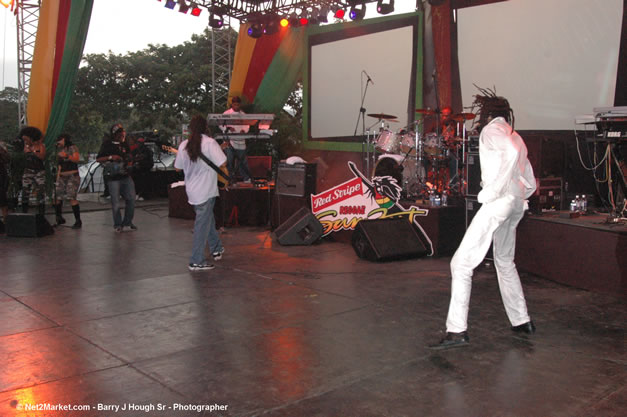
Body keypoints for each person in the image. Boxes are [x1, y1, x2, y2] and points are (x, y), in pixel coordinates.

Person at [430, 98, 537, 350]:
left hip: (499, 202)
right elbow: (528, 174)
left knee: (461, 263)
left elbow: (509, 155)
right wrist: (522, 194)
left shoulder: (491, 130)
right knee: (504, 261)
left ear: (487, 114)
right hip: (516, 203)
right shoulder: (515, 135)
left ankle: (457, 331)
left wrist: (491, 192)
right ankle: (522, 321)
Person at [174, 114, 227, 271]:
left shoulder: (184, 145)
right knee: (201, 226)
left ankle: (216, 248)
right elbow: (223, 162)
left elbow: (178, 168)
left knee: (207, 220)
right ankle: (196, 260)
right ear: (206, 127)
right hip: (207, 190)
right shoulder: (210, 143)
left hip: (192, 191)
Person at [96, 124, 136, 232]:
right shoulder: (107, 144)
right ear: (115, 134)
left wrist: (129, 160)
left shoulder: (124, 144)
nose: (122, 135)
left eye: (123, 133)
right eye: (120, 133)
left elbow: (128, 156)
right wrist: (111, 157)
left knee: (131, 198)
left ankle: (127, 222)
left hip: (125, 175)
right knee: (115, 202)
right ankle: (118, 224)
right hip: (113, 177)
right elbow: (98, 159)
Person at [54, 134, 82, 229]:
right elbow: (59, 166)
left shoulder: (72, 148)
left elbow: (76, 159)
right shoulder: (60, 151)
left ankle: (78, 220)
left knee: (71, 197)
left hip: (72, 175)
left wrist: (67, 156)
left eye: (59, 140)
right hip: (62, 176)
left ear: (64, 139)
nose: (58, 142)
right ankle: (59, 217)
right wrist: (57, 177)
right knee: (58, 196)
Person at [222, 96, 252, 183]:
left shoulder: (243, 115)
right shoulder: (226, 113)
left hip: (241, 140)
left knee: (242, 161)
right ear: (232, 104)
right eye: (234, 105)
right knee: (229, 161)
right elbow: (220, 124)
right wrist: (228, 128)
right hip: (230, 141)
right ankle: (228, 178)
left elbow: (247, 125)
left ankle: (246, 178)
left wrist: (244, 130)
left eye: (238, 105)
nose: (236, 106)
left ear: (240, 105)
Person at [19, 126, 47, 215]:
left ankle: (41, 214)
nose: (25, 141)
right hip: (28, 170)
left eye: (26, 139)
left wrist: (33, 152)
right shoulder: (25, 146)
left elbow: (42, 157)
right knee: (25, 191)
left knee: (40, 192)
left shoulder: (40, 146)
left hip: (39, 171)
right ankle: (24, 213)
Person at [129, 135, 154, 200]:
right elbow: (131, 157)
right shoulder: (135, 150)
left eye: (139, 143)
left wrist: (140, 163)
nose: (138, 144)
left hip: (145, 169)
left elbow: (148, 160)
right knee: (136, 182)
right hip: (137, 170)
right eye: (138, 143)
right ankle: (137, 193)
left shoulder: (147, 150)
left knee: (144, 182)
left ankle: (143, 195)